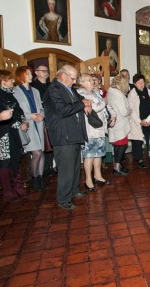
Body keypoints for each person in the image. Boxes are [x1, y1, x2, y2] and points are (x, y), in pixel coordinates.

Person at [44, 65, 91, 210]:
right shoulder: (53, 90)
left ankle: (74, 190)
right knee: (66, 169)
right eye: (73, 78)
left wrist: (86, 102)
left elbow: (80, 99)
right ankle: (63, 198)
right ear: (63, 76)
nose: (75, 80)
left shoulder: (69, 88)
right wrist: (82, 104)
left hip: (74, 133)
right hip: (63, 135)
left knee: (76, 166)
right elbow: (62, 110)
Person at [0, 70, 29, 202]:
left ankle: (18, 186)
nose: (13, 81)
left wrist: (24, 122)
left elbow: (19, 111)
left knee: (16, 158)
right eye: (10, 79)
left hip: (14, 133)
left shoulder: (11, 95)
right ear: (3, 80)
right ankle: (7, 190)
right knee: (5, 162)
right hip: (2, 133)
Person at [13, 66, 46, 192]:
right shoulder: (15, 91)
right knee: (36, 152)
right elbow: (16, 111)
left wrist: (42, 115)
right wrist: (30, 116)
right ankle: (34, 178)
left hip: (38, 124)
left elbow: (41, 107)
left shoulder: (35, 90)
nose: (31, 76)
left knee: (41, 152)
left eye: (31, 74)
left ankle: (40, 177)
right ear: (21, 76)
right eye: (28, 74)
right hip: (28, 125)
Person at [77, 73, 110, 191]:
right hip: (90, 129)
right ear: (82, 83)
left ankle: (98, 175)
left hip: (99, 129)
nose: (92, 82)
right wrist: (104, 102)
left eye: (92, 80)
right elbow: (95, 107)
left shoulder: (93, 93)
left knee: (98, 154)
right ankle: (88, 180)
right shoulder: (81, 94)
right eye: (89, 80)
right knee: (89, 155)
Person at [31, 65, 56, 178]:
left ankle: (51, 166)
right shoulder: (33, 86)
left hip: (53, 117)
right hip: (41, 117)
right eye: (43, 71)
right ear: (36, 73)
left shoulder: (51, 85)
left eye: (47, 71)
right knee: (44, 143)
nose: (46, 73)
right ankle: (44, 169)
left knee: (52, 142)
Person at [128, 74, 150, 169]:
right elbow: (131, 110)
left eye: (142, 82)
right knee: (137, 141)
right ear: (135, 84)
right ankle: (139, 158)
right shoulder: (132, 94)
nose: (141, 84)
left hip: (148, 120)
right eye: (139, 82)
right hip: (137, 121)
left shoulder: (148, 91)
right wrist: (140, 121)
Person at [107, 74, 131, 176]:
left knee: (117, 145)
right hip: (121, 123)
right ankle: (117, 167)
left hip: (116, 122)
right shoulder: (118, 94)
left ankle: (118, 165)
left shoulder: (111, 91)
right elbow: (124, 111)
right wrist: (130, 110)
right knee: (122, 145)